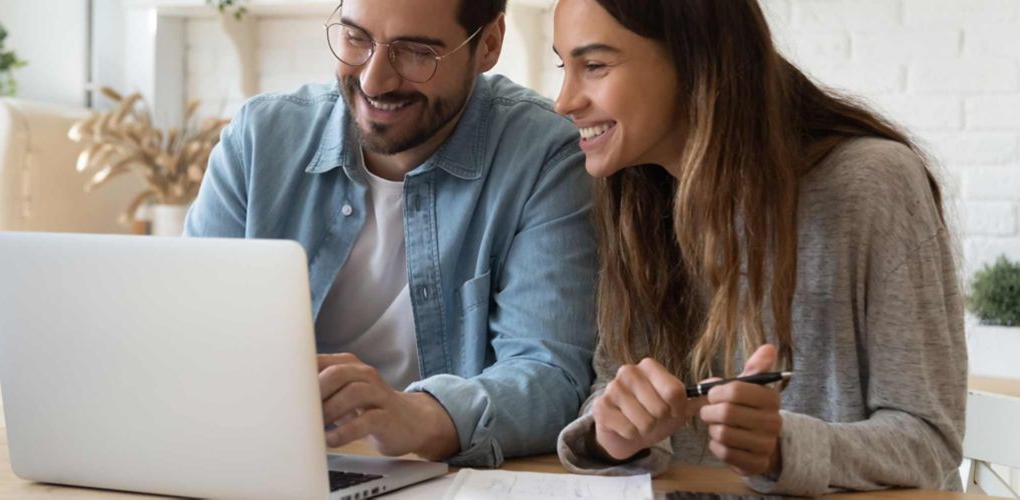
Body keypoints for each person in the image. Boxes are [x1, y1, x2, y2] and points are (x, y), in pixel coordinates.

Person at [550, 0, 967, 495]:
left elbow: (929, 441)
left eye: (594, 66)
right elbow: (613, 383)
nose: (564, 101)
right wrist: (614, 434)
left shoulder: (872, 183)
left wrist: (782, 449)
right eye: (564, 66)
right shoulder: (638, 197)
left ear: (695, 60)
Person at [184, 0, 597, 467]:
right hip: (265, 465)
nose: (373, 80)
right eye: (356, 39)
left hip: (443, 479)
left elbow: (550, 376)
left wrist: (415, 416)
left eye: (417, 51)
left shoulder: (545, 157)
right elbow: (186, 337)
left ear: (489, 45)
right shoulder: (258, 141)